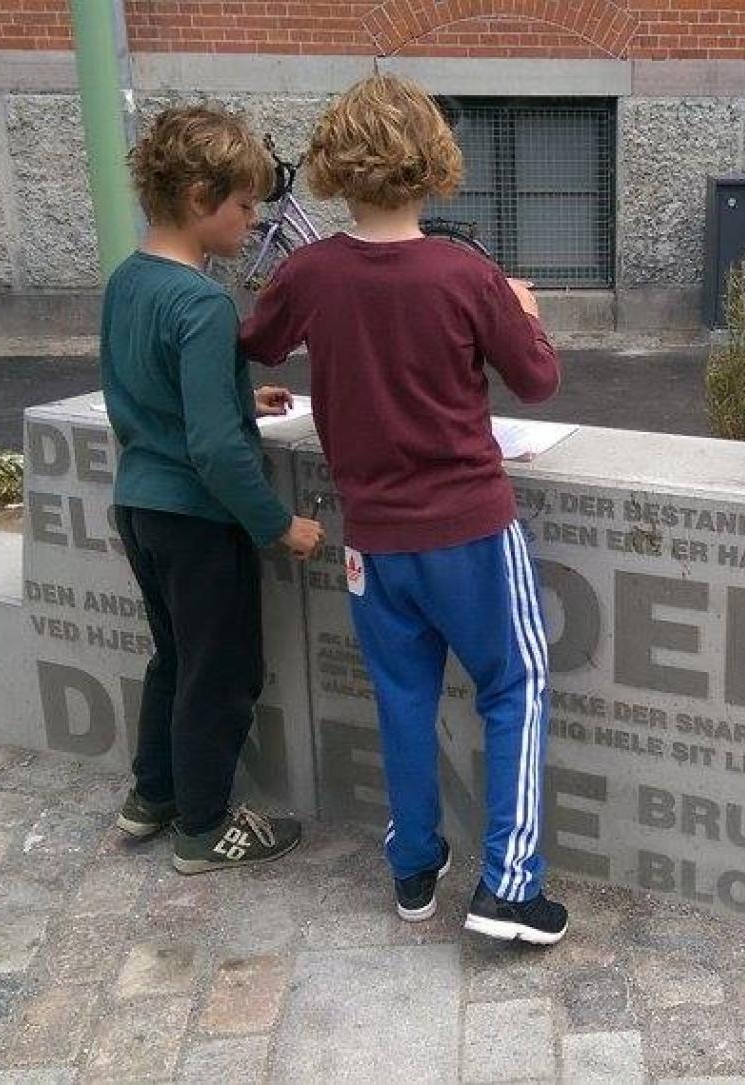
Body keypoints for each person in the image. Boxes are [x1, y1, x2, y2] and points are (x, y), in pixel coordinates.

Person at [239, 74, 567, 944]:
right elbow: (537, 379)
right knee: (517, 685)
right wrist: (524, 312)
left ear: (335, 168)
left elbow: (254, 340)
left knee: (403, 699)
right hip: (469, 530)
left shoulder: (310, 272)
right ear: (434, 163)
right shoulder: (468, 275)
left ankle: (414, 865)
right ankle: (509, 886)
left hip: (371, 543)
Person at [102, 105, 325, 874]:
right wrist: (277, 525)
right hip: (199, 517)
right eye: (244, 205)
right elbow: (216, 451)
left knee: (174, 657)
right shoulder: (202, 302)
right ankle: (203, 826)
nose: (253, 219)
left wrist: (237, 396)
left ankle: (151, 796)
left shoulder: (130, 279)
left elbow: (147, 392)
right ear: (200, 197)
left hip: (140, 506)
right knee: (221, 671)